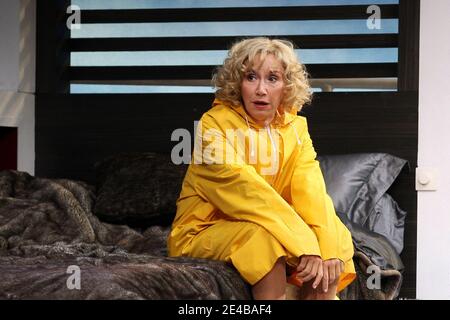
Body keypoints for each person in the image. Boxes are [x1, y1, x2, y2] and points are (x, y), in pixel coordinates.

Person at [167, 37, 356, 300]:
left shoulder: (296, 128)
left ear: (286, 86)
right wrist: (304, 245)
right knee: (263, 239)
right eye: (251, 77)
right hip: (204, 230)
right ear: (237, 83)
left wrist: (326, 249)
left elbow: (311, 191)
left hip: (275, 225)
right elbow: (247, 191)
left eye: (272, 78)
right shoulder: (212, 125)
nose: (261, 90)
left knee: (336, 238)